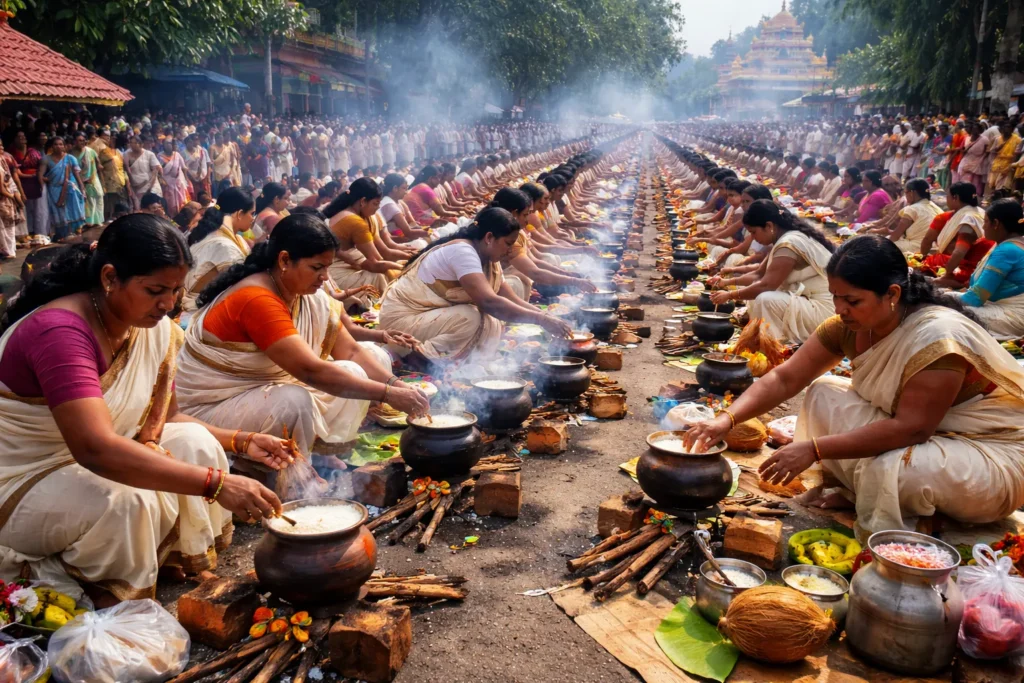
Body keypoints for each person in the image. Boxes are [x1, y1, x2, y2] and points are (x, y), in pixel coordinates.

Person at [0, 215, 292, 605]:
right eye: (155, 290)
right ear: (109, 277)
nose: (168, 304)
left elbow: (169, 419)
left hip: (89, 458)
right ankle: (107, 598)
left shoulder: (150, 326)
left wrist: (243, 440)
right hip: (23, 479)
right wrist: (217, 484)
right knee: (124, 500)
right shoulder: (59, 333)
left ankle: (169, 560)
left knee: (196, 442)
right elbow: (96, 450)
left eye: (176, 290)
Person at [687, 235, 1024, 540]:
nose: (839, 309)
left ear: (892, 294)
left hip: (990, 454)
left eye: (851, 300)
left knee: (893, 469)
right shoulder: (848, 325)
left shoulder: (935, 337)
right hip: (929, 437)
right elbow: (786, 378)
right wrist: (725, 420)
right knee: (823, 393)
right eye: (835, 297)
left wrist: (814, 449)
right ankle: (860, 493)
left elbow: (912, 429)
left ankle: (924, 521)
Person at [175, 213, 429, 474]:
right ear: (284, 260)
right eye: (317, 268)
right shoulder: (256, 298)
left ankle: (314, 451)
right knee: (293, 401)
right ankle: (261, 465)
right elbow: (311, 371)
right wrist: (387, 394)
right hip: (215, 407)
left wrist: (397, 386)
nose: (324, 277)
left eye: (327, 268)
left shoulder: (306, 294)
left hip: (265, 390)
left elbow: (351, 351)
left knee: (365, 362)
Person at [379, 207, 572, 364]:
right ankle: (420, 358)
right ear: (489, 238)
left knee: (491, 322)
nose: (509, 250)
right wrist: (541, 320)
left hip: (428, 318)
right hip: (402, 321)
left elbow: (508, 297)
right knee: (470, 316)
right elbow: (490, 302)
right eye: (507, 243)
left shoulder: (488, 257)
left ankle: (470, 367)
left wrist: (547, 317)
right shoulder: (463, 251)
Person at [710, 199, 835, 344]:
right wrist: (726, 282)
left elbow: (766, 285)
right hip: (807, 302)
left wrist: (730, 295)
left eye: (753, 232)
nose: (753, 238)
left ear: (769, 226)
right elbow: (759, 274)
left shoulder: (789, 244)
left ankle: (772, 347)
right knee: (756, 298)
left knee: (766, 299)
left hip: (821, 309)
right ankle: (764, 342)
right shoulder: (784, 240)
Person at [323, 178, 405, 306]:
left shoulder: (360, 216)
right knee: (377, 277)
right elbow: (375, 263)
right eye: (375, 204)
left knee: (389, 272)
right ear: (362, 201)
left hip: (345, 266)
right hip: (335, 274)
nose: (377, 209)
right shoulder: (355, 221)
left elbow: (382, 254)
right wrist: (404, 268)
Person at [954, 199, 1024, 339]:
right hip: (1005, 310)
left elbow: (974, 299)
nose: (983, 226)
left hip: (1012, 315)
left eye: (985, 221)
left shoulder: (1006, 250)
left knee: (948, 314)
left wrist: (938, 298)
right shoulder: (1011, 244)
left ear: (996, 224)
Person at [182, 187, 254, 311]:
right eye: (252, 213)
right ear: (239, 214)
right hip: (200, 309)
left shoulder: (231, 237)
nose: (253, 219)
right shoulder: (224, 245)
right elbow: (238, 288)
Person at [919, 182, 991, 286]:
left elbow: (959, 252)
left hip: (969, 267)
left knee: (932, 261)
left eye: (947, 196)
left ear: (955, 197)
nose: (946, 199)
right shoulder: (980, 212)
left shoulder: (968, 219)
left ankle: (957, 282)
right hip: (983, 265)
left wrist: (946, 275)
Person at [38, 136, 87, 241]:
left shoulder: (70, 158)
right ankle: (61, 235)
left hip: (70, 189)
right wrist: (44, 184)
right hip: (54, 189)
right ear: (52, 146)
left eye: (61, 144)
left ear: (64, 146)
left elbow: (77, 175)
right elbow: (40, 175)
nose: (58, 146)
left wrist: (82, 188)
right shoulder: (46, 159)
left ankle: (71, 232)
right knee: (58, 211)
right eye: (56, 144)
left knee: (71, 210)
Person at [889, 178, 942, 254]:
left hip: (918, 247)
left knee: (885, 244)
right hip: (935, 246)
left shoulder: (912, 209)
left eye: (905, 192)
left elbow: (896, 234)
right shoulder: (936, 207)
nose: (905, 196)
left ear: (912, 193)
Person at [379, 174, 430, 250]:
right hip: (391, 243)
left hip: (397, 239)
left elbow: (411, 223)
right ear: (395, 188)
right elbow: (408, 232)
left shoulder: (398, 202)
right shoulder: (389, 204)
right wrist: (428, 233)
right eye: (404, 188)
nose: (406, 192)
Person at [71, 132, 103, 226]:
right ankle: (87, 223)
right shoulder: (71, 154)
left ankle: (97, 221)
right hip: (78, 181)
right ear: (75, 141)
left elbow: (99, 164)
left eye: (83, 140)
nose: (82, 142)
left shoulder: (90, 151)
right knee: (86, 202)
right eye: (79, 140)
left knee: (97, 198)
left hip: (93, 179)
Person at [125, 135, 163, 211]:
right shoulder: (126, 154)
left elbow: (155, 170)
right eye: (131, 143)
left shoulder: (149, 154)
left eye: (135, 143)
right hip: (136, 187)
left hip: (151, 186)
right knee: (141, 210)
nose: (133, 145)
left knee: (154, 208)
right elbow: (126, 170)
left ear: (141, 144)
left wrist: (149, 187)